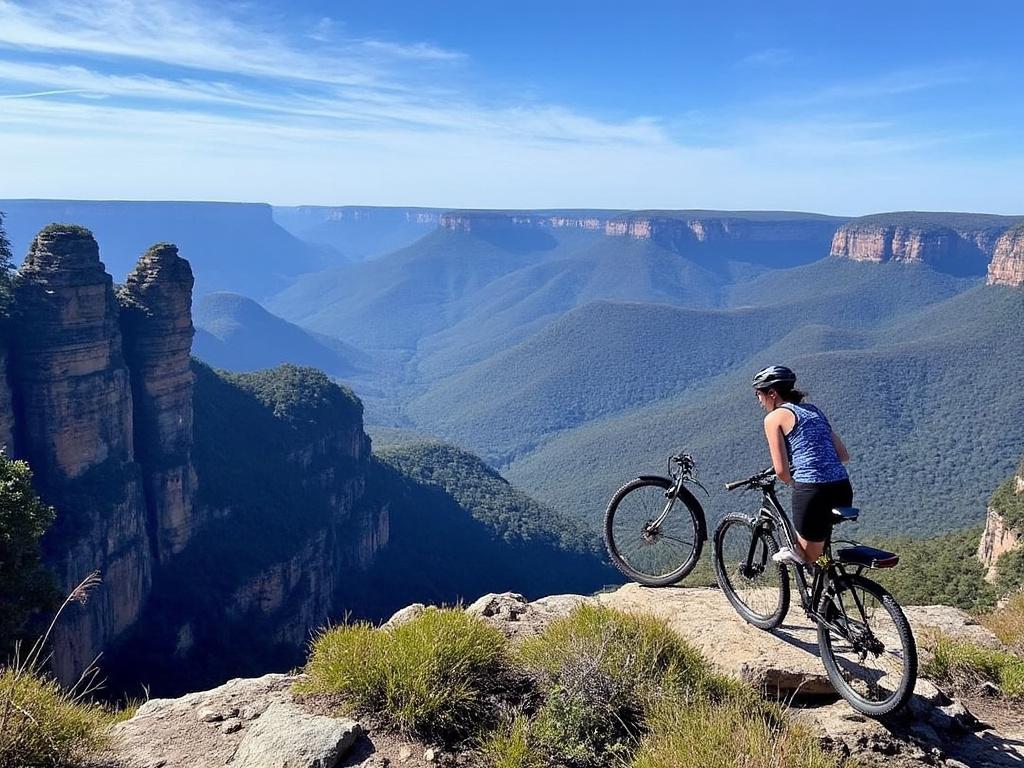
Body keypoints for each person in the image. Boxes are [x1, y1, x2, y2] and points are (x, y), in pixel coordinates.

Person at [751, 365, 851, 566]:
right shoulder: (814, 411)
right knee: (818, 553)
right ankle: (826, 578)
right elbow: (843, 455)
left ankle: (826, 583)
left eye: (758, 394)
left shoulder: (773, 418)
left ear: (772, 393)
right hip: (842, 488)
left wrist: (797, 483)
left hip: (813, 492)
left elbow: (781, 471)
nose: (759, 401)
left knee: (808, 558)